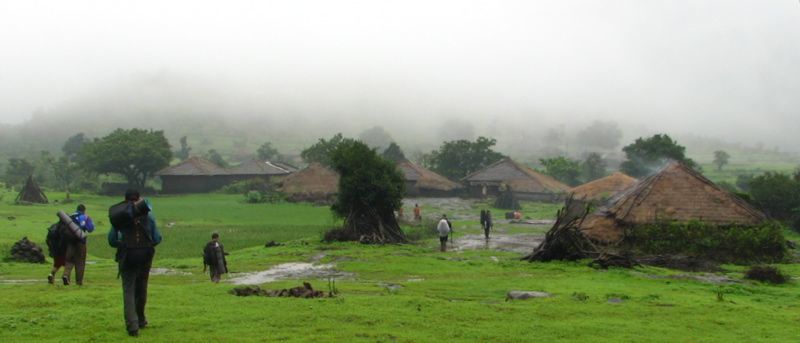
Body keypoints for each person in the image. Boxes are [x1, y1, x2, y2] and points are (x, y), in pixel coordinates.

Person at [108, 189, 162, 337]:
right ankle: (141, 319)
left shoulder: (119, 218)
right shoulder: (148, 217)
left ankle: (132, 326)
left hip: (127, 257)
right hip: (145, 257)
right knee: (142, 288)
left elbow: (112, 240)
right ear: (138, 199)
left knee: (128, 290)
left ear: (125, 200)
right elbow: (157, 238)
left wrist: (123, 245)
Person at [62, 204, 95, 285]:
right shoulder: (85, 217)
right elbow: (90, 229)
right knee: (80, 262)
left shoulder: (70, 217)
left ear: (76, 209)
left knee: (69, 260)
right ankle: (79, 282)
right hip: (80, 242)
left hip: (70, 242)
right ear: (84, 210)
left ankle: (66, 275)